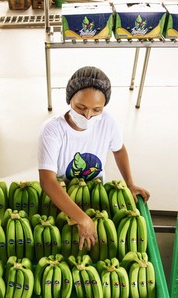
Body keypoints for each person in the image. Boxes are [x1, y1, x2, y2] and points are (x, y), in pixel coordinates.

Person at [38, 66, 150, 251]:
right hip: (62, 197)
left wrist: (130, 183)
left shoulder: (108, 123)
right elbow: (47, 181)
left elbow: (119, 150)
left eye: (97, 109)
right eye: (81, 107)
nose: (88, 116)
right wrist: (82, 219)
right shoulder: (52, 130)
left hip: (97, 192)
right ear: (70, 99)